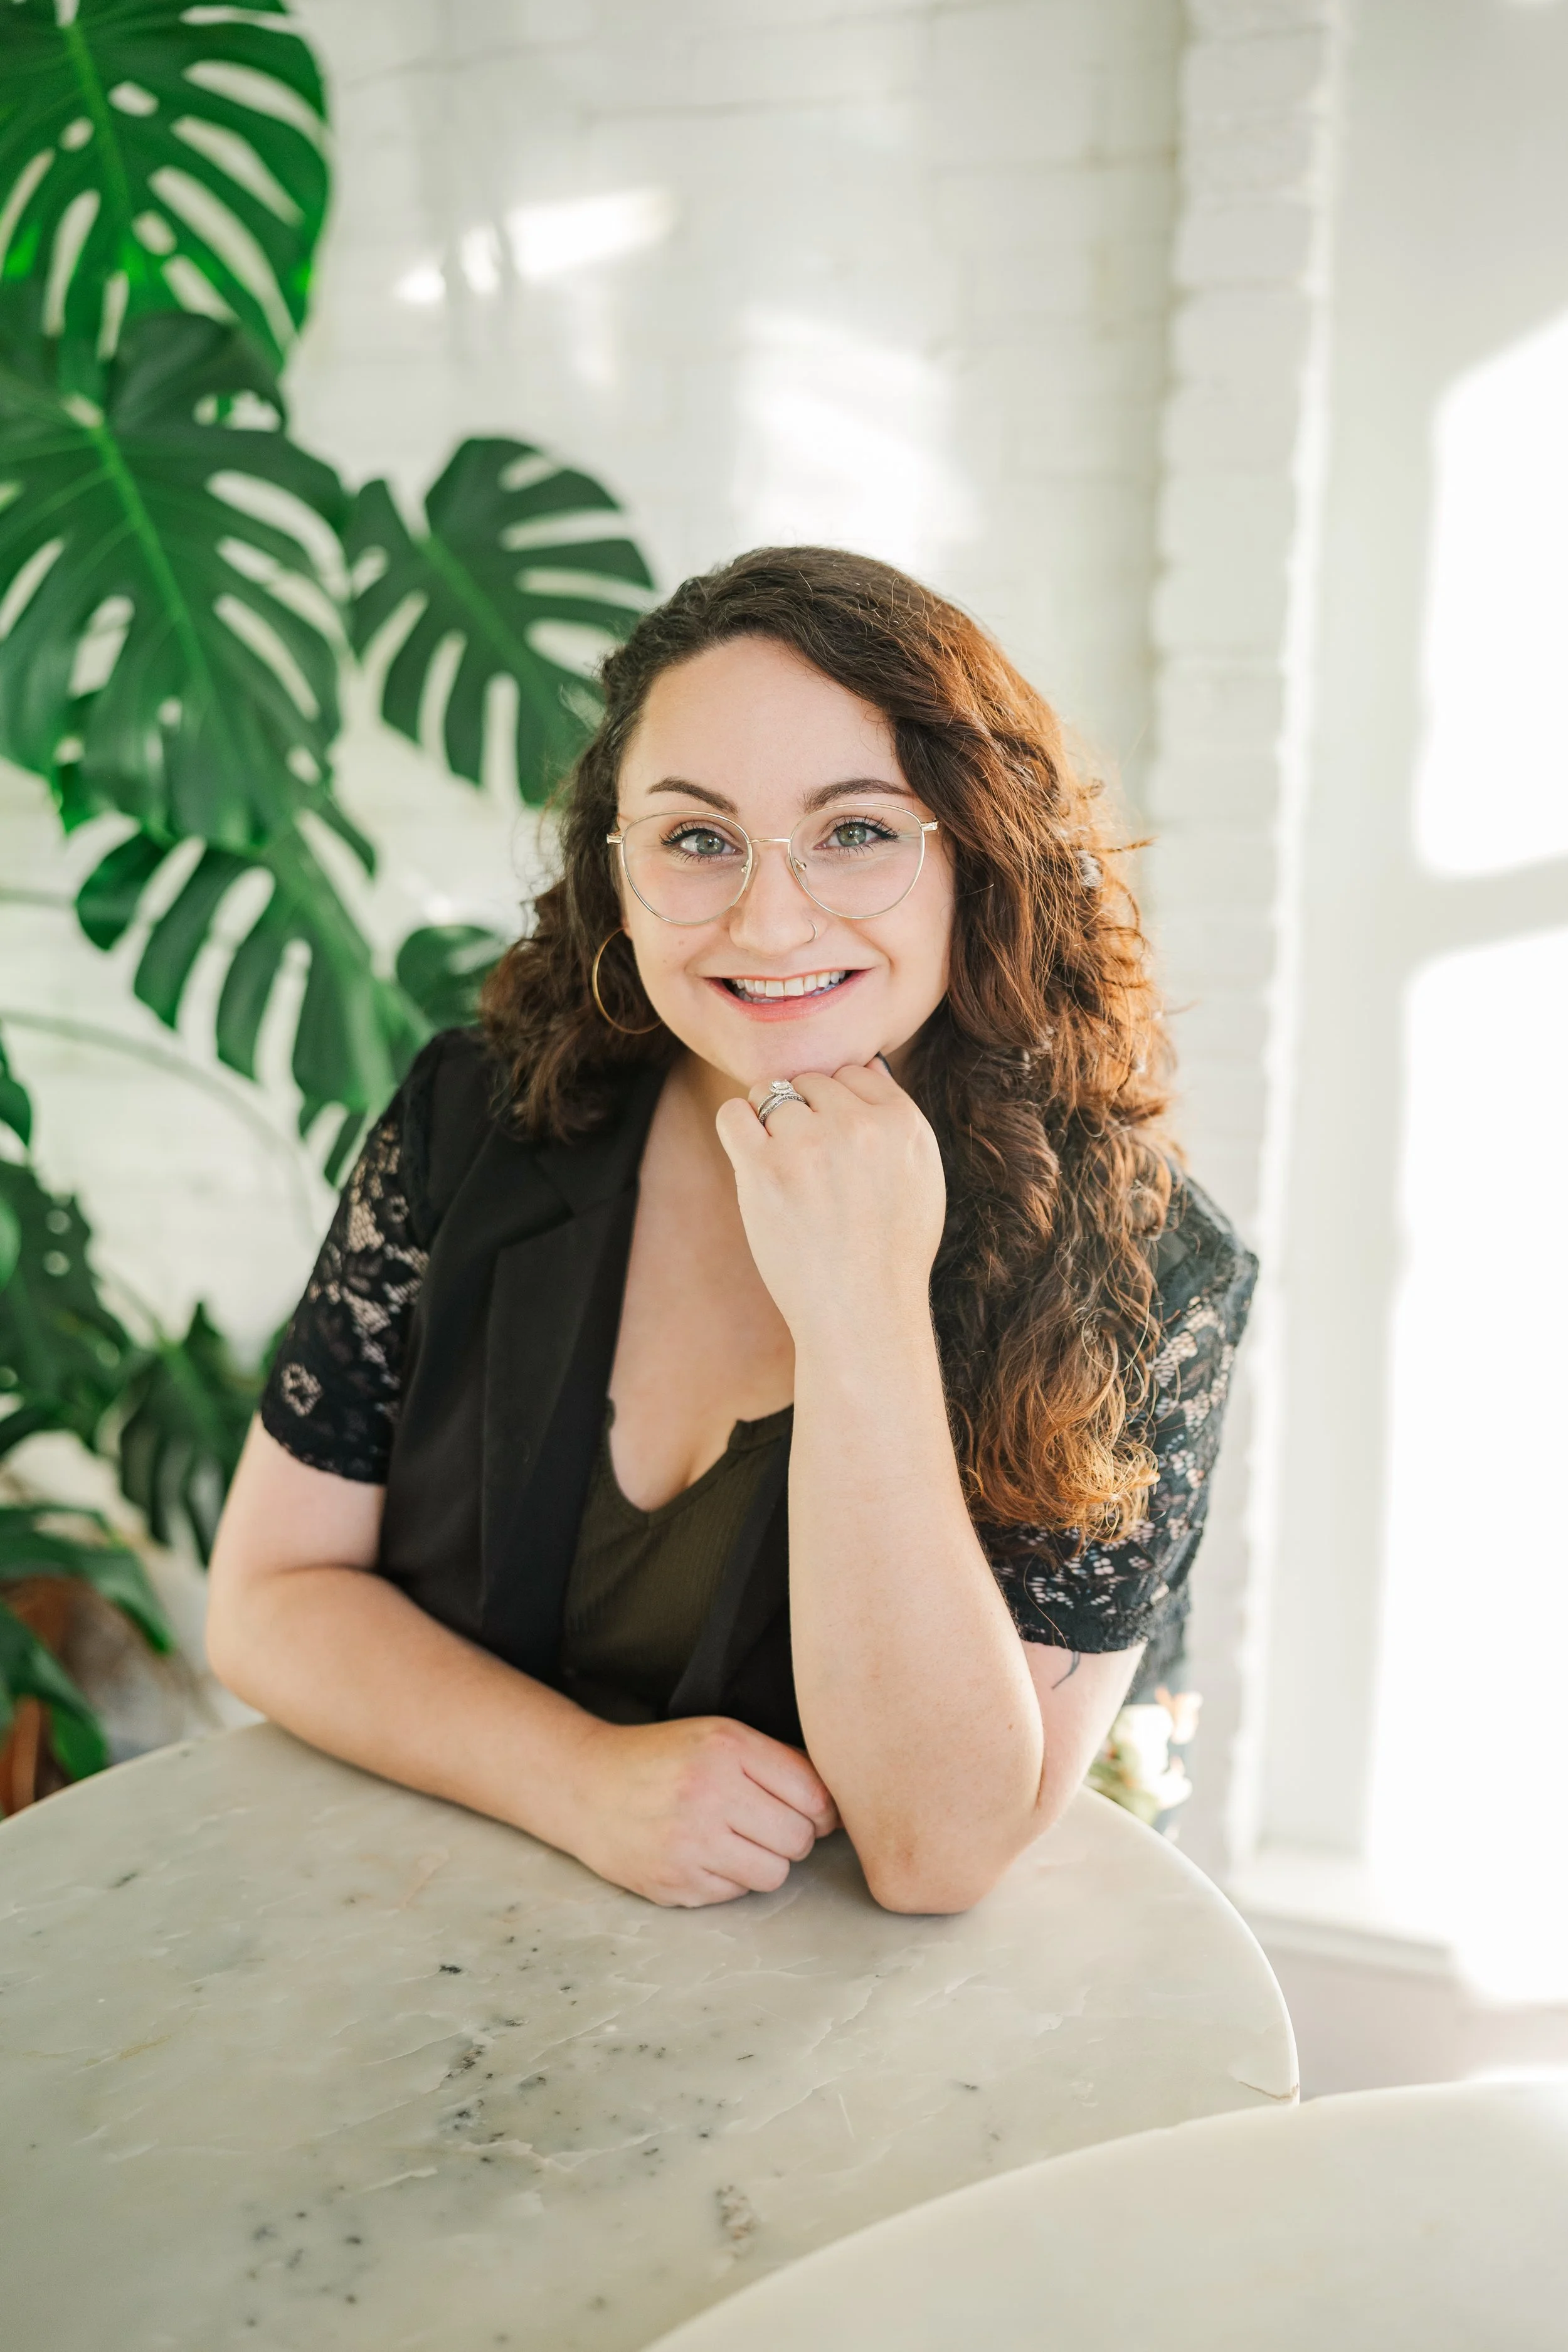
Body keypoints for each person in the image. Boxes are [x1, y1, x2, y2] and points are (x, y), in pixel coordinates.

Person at [206, 546, 1256, 1915]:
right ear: (619, 867)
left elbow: (937, 1853)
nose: (769, 920)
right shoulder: (477, 1119)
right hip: (454, 1945)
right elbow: (272, 1596)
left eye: (857, 831)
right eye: (697, 838)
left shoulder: (1143, 1270)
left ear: (977, 857)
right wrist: (581, 1778)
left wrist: (863, 1307)